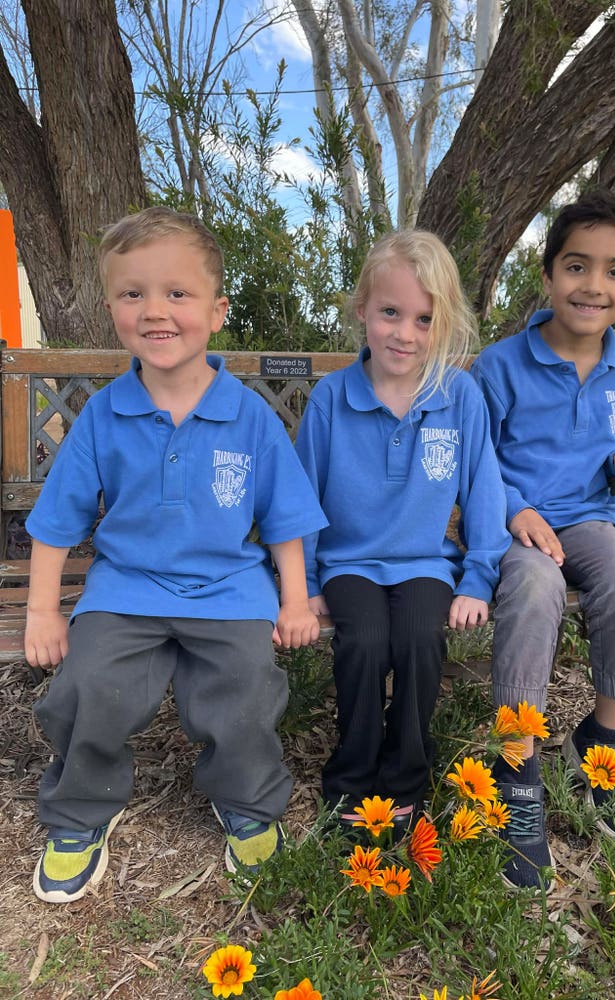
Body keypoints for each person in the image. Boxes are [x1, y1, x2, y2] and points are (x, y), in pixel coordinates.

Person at [24, 206, 327, 904]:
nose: (155, 311)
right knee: (85, 688)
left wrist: (292, 597)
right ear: (112, 309)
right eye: (134, 294)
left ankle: (246, 800)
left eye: (177, 294)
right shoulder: (104, 414)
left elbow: (284, 519)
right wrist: (45, 611)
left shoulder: (248, 414)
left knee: (247, 687)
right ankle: (79, 812)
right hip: (125, 589)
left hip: (228, 589)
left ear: (217, 310)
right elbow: (57, 521)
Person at [471, 189, 615, 891]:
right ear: (549, 274)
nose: (594, 285)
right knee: (532, 588)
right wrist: (514, 508)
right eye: (577, 267)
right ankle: (516, 767)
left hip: (589, 520)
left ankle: (605, 741)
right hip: (517, 523)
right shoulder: (499, 365)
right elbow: (476, 459)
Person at [295, 230, 510, 835]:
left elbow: (484, 492)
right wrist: (306, 582)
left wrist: (478, 578)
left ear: (441, 325)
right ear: (363, 309)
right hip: (349, 563)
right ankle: (352, 775)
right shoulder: (331, 398)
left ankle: (406, 777)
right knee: (363, 642)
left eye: (423, 319)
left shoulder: (458, 396)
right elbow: (301, 499)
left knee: (419, 638)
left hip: (426, 564)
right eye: (390, 312)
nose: (404, 334)